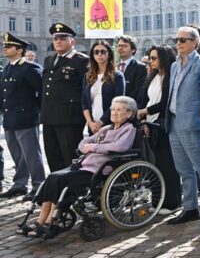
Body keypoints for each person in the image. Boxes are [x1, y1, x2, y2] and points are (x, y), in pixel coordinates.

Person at [17, 96, 138, 238]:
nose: (114, 112)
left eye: (119, 110)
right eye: (112, 109)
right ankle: (40, 220)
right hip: (83, 165)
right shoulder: (106, 128)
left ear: (129, 113)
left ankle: (50, 221)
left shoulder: (129, 129)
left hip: (98, 169)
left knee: (60, 180)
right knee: (52, 177)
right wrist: (88, 147)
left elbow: (120, 146)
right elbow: (84, 142)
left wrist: (93, 147)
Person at [164, 26, 200, 233]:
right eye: (176, 39)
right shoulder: (173, 65)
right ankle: (190, 208)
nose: (178, 43)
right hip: (175, 122)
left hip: (194, 123)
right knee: (183, 170)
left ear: (195, 43)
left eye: (183, 40)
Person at [136, 45, 181, 215]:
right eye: (150, 57)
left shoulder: (170, 76)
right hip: (150, 123)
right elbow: (143, 98)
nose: (151, 61)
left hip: (163, 124)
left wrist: (146, 111)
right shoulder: (153, 76)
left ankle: (172, 202)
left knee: (167, 164)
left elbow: (166, 102)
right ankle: (157, 200)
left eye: (154, 58)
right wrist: (142, 116)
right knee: (155, 164)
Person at [0, 33, 45, 202]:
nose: (5, 48)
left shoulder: (30, 68)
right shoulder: (8, 67)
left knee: (31, 154)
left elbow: (41, 93)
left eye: (9, 46)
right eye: (5, 46)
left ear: (19, 50)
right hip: (10, 118)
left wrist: (37, 113)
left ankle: (38, 184)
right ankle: (20, 184)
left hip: (26, 118)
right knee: (17, 154)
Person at [41, 23, 89, 172]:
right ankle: (57, 187)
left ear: (72, 41)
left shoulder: (81, 60)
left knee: (70, 155)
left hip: (70, 117)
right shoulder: (49, 59)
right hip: (49, 115)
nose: (58, 41)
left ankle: (73, 190)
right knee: (52, 154)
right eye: (55, 38)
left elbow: (85, 90)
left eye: (62, 38)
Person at [82, 40, 125, 135]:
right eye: (96, 52)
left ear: (109, 54)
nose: (99, 54)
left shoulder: (117, 75)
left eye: (103, 51)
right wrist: (90, 123)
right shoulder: (88, 76)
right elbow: (84, 102)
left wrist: (101, 122)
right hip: (92, 126)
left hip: (111, 124)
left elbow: (117, 102)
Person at [116, 35, 147, 104]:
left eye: (125, 46)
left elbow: (138, 92)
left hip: (129, 107)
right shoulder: (114, 67)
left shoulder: (140, 67)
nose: (121, 48)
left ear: (133, 49)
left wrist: (122, 105)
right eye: (119, 46)